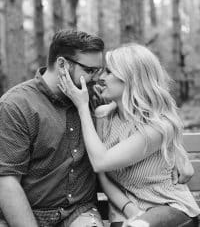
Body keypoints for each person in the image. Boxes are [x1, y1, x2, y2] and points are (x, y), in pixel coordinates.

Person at [58, 43, 200, 227]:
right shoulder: (104, 117)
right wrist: (130, 210)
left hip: (168, 208)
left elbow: (101, 161)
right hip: (126, 213)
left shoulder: (157, 126)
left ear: (131, 79)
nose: (101, 78)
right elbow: (101, 173)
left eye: (109, 72)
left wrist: (83, 107)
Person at [0, 30, 106, 227]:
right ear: (62, 64)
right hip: (28, 212)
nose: (96, 78)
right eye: (90, 70)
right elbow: (7, 182)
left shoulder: (94, 97)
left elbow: (146, 110)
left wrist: (174, 152)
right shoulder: (17, 105)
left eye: (98, 71)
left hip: (79, 212)